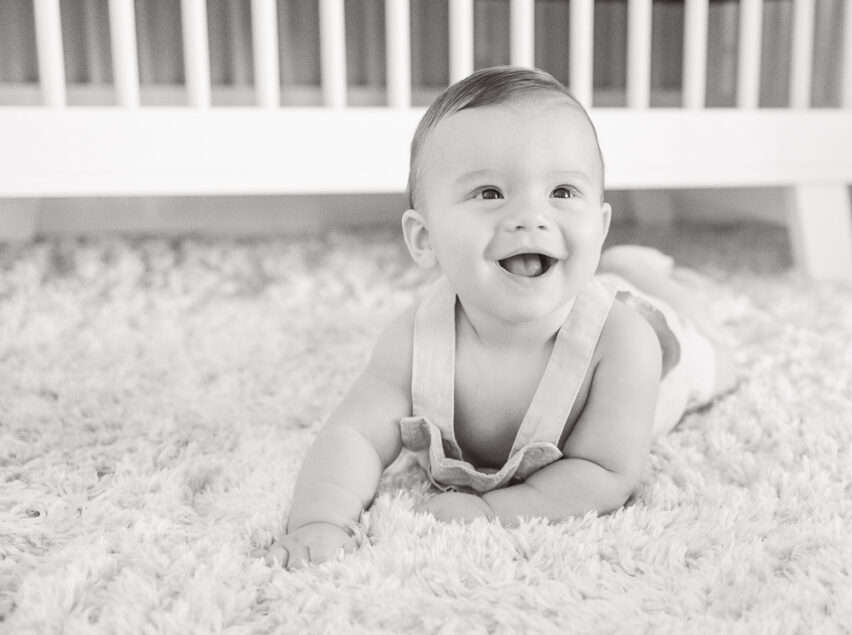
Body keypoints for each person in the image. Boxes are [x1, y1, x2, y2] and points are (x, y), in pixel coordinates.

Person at [252, 66, 737, 569]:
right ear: (424, 239)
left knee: (718, 360)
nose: (531, 216)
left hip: (662, 362)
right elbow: (353, 434)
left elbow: (603, 471)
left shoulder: (624, 344)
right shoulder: (415, 337)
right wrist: (320, 521)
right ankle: (629, 269)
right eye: (490, 193)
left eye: (563, 193)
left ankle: (647, 278)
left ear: (600, 223)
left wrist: (492, 509)